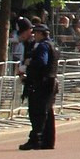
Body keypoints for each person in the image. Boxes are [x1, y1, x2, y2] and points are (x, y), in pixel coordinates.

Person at [18, 20, 58, 151]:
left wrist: (29, 63)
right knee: (47, 113)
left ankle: (35, 139)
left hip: (42, 83)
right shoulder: (51, 45)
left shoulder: (42, 46)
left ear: (41, 34)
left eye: (36, 33)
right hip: (49, 82)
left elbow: (42, 61)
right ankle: (47, 141)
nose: (34, 35)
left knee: (37, 113)